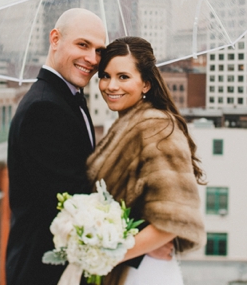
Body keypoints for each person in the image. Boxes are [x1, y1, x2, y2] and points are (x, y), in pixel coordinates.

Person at [87, 36, 205, 285]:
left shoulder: (156, 126)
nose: (111, 85)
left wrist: (103, 255)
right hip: (130, 267)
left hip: (145, 272)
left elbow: (174, 220)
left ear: (146, 84)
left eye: (123, 77)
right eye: (105, 76)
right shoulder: (125, 126)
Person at [6, 8, 107, 285]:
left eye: (99, 51)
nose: (92, 58)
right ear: (55, 39)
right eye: (83, 45)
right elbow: (73, 196)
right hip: (43, 271)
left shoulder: (66, 97)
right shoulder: (44, 108)